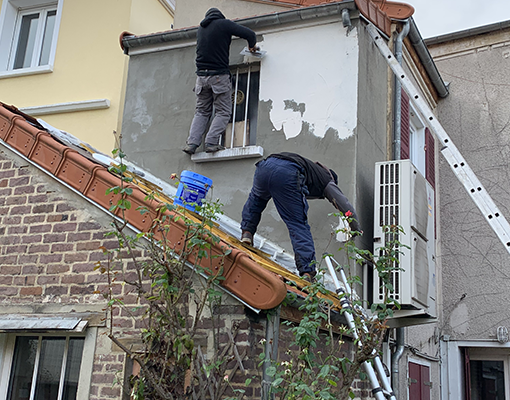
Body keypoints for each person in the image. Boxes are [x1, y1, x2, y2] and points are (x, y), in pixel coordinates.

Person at [240, 152, 361, 281]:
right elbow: (344, 204)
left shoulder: (312, 170)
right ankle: (307, 271)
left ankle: (247, 233)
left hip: (264, 167)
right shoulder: (327, 180)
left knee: (256, 200)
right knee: (297, 223)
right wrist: (355, 228)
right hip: (287, 173)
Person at [183, 8, 258, 155]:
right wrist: (252, 46)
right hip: (218, 76)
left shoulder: (201, 29)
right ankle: (211, 142)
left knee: (202, 112)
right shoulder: (224, 24)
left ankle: (192, 143)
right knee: (223, 111)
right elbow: (250, 34)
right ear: (220, 17)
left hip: (201, 78)